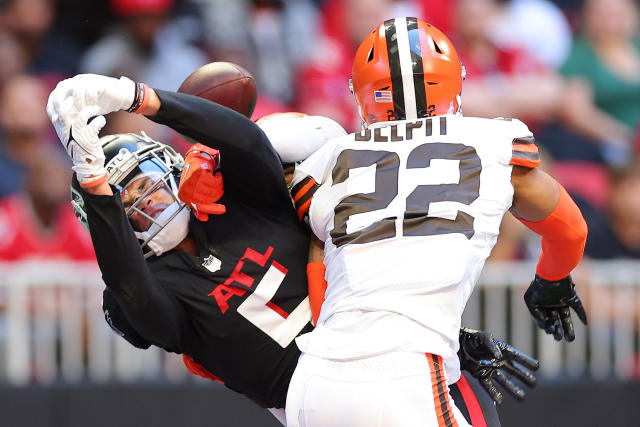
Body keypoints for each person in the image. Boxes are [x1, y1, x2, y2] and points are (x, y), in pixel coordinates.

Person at [46, 69, 536, 425]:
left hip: (388, 350)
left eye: (146, 181)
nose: (148, 200)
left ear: (170, 165)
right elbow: (133, 293)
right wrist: (95, 182)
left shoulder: (230, 196)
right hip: (316, 397)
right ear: (106, 222)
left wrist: (149, 103)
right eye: (126, 199)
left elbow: (291, 138)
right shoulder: (143, 284)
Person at [284, 17, 588, 426]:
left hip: (314, 382)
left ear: (361, 94)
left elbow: (322, 289)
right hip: (406, 377)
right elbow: (570, 230)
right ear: (454, 83)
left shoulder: (328, 160)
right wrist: (552, 280)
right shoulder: (492, 144)